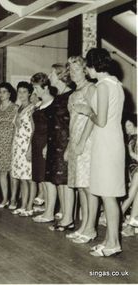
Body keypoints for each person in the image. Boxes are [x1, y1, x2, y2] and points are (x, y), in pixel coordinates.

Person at [74, 48, 125, 256]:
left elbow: (101, 120)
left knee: (108, 195)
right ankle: (111, 240)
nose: (86, 70)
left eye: (87, 66)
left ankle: (113, 243)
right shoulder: (116, 84)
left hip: (106, 142)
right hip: (110, 141)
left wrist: (87, 111)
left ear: (95, 65)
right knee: (108, 194)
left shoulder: (103, 86)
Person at [62, 56, 96, 242]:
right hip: (75, 141)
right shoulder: (73, 94)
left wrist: (82, 141)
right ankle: (84, 226)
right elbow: (72, 124)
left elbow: (94, 116)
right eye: (71, 70)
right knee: (80, 186)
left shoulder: (91, 89)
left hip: (87, 142)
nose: (73, 73)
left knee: (88, 186)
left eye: (77, 69)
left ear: (84, 70)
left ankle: (90, 228)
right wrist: (69, 146)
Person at [46, 63, 74, 231]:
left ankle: (68, 218)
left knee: (66, 181)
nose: (49, 77)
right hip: (55, 142)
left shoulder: (70, 96)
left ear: (60, 75)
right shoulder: (58, 97)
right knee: (59, 182)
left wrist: (70, 146)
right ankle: (65, 216)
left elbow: (72, 123)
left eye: (52, 74)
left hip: (65, 143)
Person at [30, 73, 55, 223]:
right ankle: (46, 210)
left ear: (46, 87)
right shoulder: (39, 104)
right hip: (37, 143)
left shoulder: (53, 104)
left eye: (37, 88)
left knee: (48, 180)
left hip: (46, 143)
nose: (35, 91)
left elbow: (53, 129)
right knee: (42, 180)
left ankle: (50, 212)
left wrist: (48, 146)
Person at [10, 82, 36, 216]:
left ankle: (30, 206)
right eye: (19, 92)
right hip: (18, 146)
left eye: (24, 92)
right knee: (21, 177)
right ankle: (24, 205)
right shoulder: (19, 108)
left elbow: (34, 130)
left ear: (30, 93)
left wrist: (30, 148)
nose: (21, 94)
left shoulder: (32, 108)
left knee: (29, 178)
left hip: (27, 145)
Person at [0, 82, 18, 209]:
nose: (2, 94)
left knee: (12, 172)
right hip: (0, 142)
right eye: (0, 92)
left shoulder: (15, 108)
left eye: (4, 92)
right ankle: (4, 199)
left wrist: (14, 141)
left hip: (12, 142)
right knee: (2, 172)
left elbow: (17, 126)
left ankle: (13, 199)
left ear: (9, 93)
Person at [121, 117, 138, 237]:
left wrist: (131, 152)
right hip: (131, 169)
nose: (128, 130)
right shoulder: (129, 138)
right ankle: (132, 222)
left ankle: (118, 213)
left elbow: (133, 156)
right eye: (126, 127)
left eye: (130, 126)